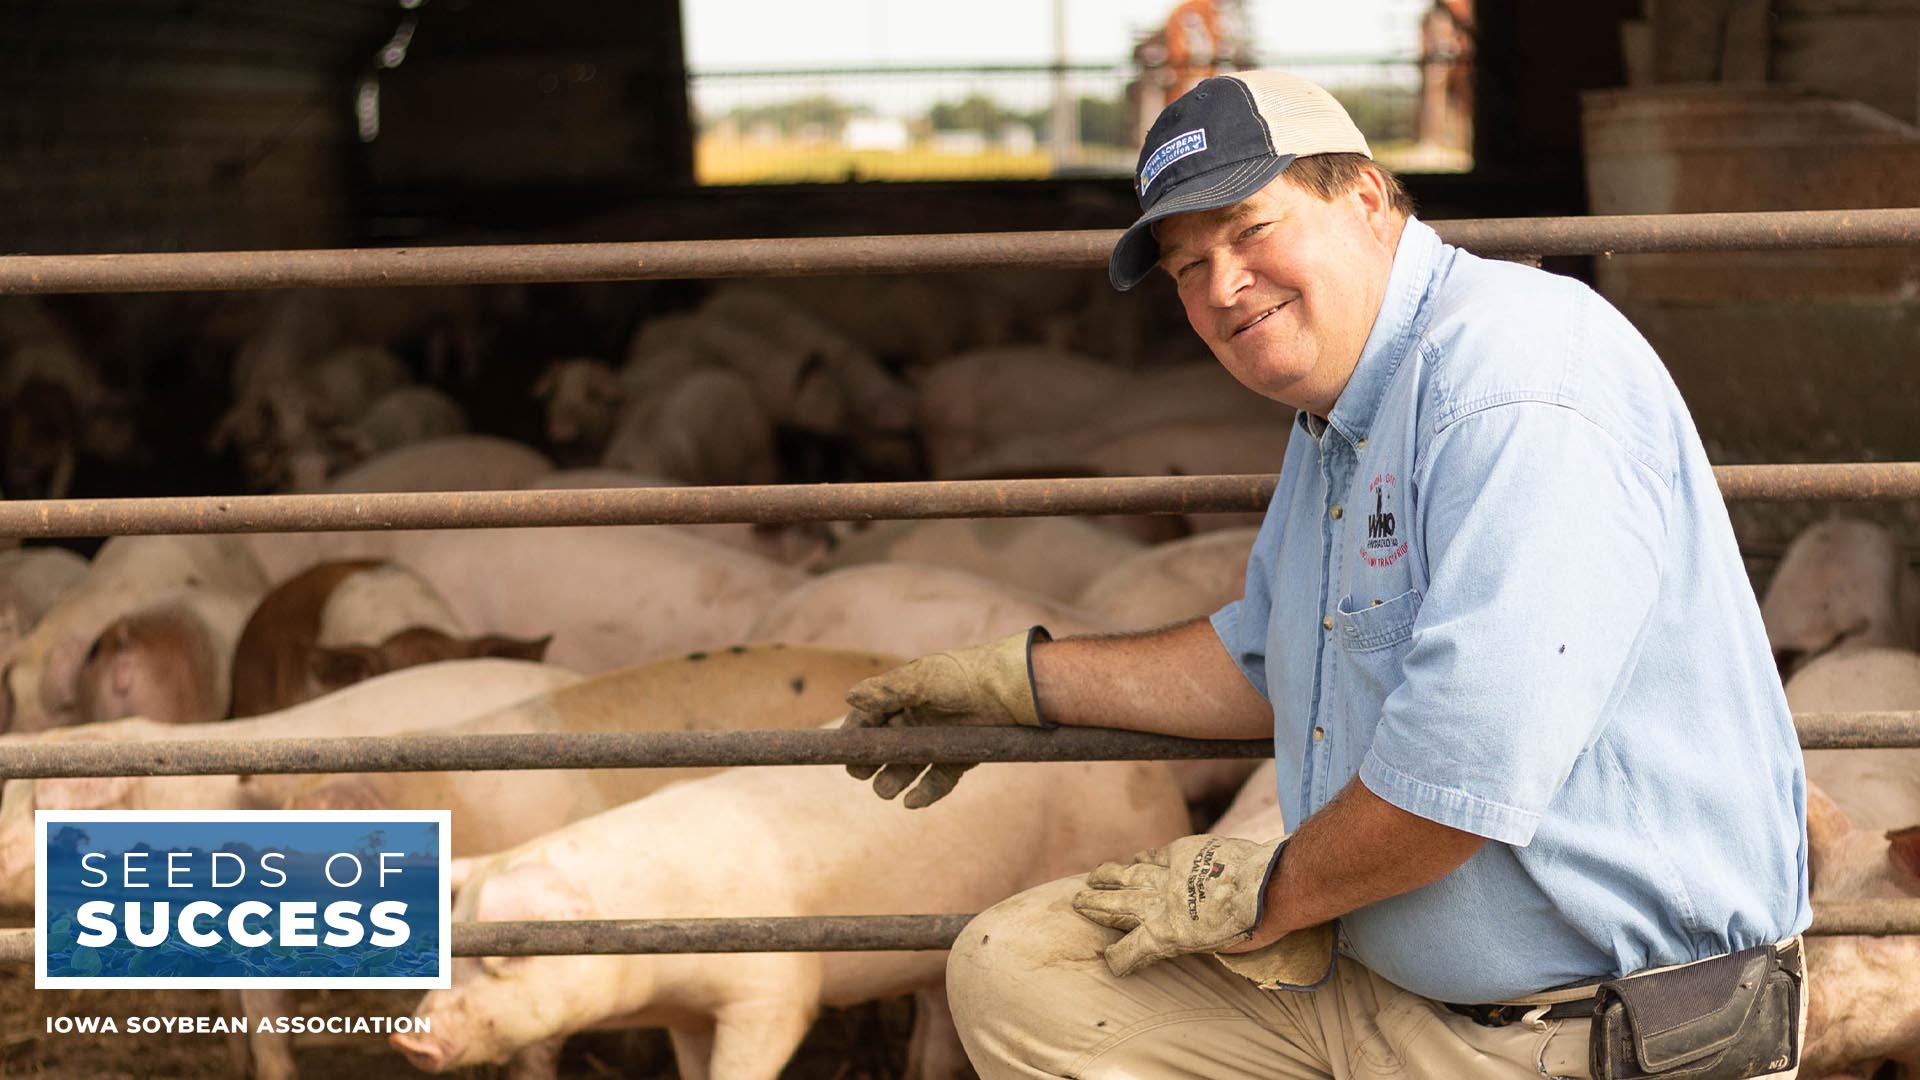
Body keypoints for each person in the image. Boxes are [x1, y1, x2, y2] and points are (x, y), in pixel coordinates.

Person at [840, 70, 1812, 1079]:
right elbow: (1269, 656)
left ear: (1367, 199)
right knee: (1024, 972)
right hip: (1394, 989)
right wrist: (1020, 683)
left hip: (1594, 1032)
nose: (1221, 287)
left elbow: (1462, 767)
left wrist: (1267, 892)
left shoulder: (1516, 379)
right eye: (1187, 267)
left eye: (1252, 230)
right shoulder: (1342, 412)